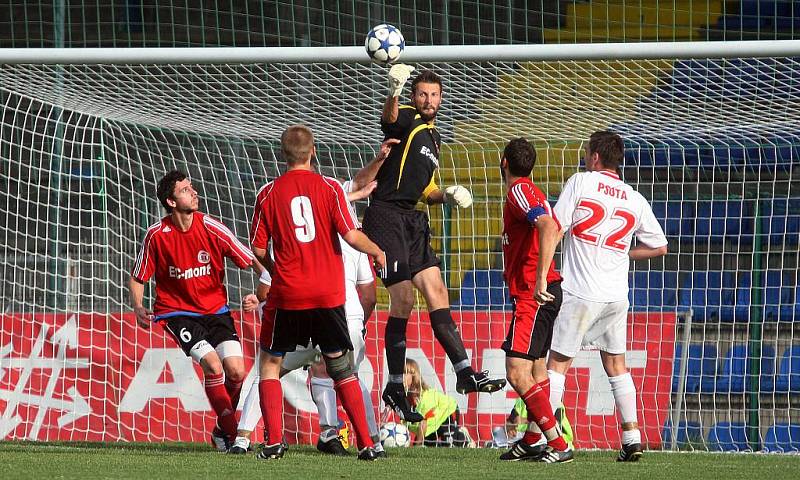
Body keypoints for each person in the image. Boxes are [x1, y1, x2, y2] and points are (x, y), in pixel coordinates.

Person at [360, 64, 506, 423]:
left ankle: (465, 372)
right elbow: (388, 121)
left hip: (412, 219)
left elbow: (425, 188)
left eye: (434, 95)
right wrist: (393, 90)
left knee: (438, 292)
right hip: (385, 215)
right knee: (405, 299)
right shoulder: (407, 117)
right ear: (414, 96)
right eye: (422, 93)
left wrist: (447, 195)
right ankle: (395, 384)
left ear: (441, 98)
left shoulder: (433, 137)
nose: (428, 100)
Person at [249, 124, 387, 461]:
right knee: (341, 368)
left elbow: (256, 247)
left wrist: (277, 268)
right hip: (328, 295)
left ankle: (273, 442)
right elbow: (352, 235)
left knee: (270, 365)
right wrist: (378, 251)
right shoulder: (329, 188)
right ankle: (368, 444)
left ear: (284, 155)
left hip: (288, 294)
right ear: (313, 152)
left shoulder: (268, 193)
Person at [547, 131, 668, 462]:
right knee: (616, 364)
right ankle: (631, 437)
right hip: (616, 295)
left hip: (580, 290)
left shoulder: (582, 182)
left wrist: (545, 269)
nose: (586, 158)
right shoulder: (634, 198)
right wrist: (625, 254)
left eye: (587, 153)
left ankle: (546, 437)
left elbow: (556, 226)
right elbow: (660, 246)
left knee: (557, 363)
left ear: (595, 157)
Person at [128, 170, 264, 450]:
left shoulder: (211, 227)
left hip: (216, 311)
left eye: (192, 187)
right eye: (186, 190)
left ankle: (220, 431)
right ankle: (236, 436)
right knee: (213, 365)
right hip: (177, 314)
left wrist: (270, 284)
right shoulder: (157, 235)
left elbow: (250, 259)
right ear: (172, 201)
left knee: (237, 372)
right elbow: (138, 276)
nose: (194, 192)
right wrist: (139, 306)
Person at [498, 138, 573, 463]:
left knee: (516, 371)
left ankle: (558, 444)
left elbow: (546, 225)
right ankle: (531, 439)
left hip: (534, 292)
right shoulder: (531, 193)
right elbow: (555, 227)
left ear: (504, 163)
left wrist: (541, 274)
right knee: (538, 368)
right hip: (539, 290)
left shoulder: (520, 191)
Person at [402, 359, 473, 448]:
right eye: (399, 374)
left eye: (405, 373)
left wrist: (416, 445)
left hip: (447, 412)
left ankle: (463, 437)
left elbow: (423, 424)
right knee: (429, 448)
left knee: (449, 446)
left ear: (414, 375)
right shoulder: (405, 398)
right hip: (431, 425)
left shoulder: (425, 398)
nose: (401, 377)